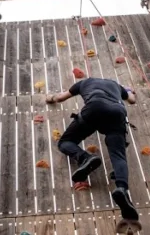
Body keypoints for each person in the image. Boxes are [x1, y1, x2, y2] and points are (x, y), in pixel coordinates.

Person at [46, 77, 139, 223]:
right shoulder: (116, 85)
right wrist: (128, 90)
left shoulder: (84, 83)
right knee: (118, 155)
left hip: (94, 108)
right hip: (117, 112)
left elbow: (60, 98)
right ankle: (122, 189)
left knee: (65, 142)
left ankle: (85, 158)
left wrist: (50, 97)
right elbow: (132, 100)